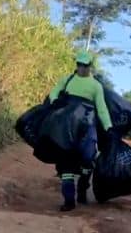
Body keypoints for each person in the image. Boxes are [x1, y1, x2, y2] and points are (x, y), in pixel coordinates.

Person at [48, 49, 115, 211]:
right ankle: (69, 200)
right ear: (76, 64)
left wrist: (108, 127)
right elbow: (54, 90)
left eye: (85, 65)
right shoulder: (68, 80)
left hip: (87, 127)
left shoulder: (96, 86)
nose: (82, 67)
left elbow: (102, 108)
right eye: (80, 64)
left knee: (88, 158)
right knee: (66, 162)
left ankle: (83, 187)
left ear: (90, 66)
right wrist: (54, 100)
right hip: (66, 126)